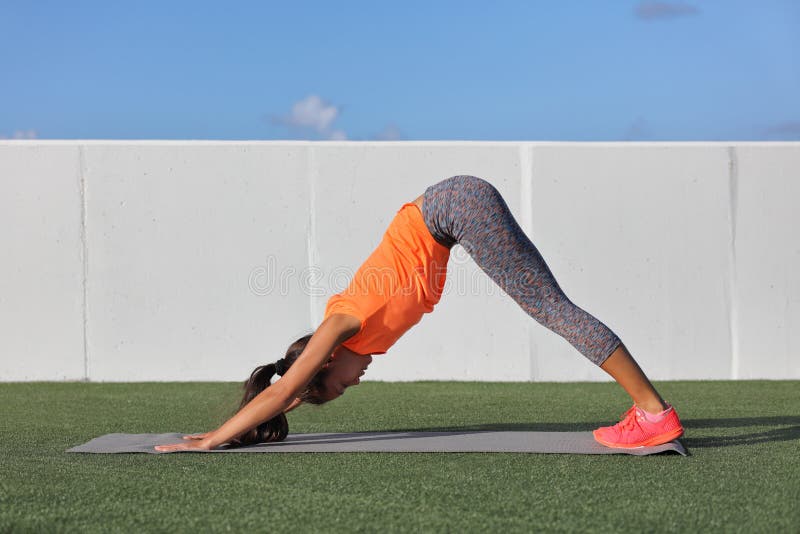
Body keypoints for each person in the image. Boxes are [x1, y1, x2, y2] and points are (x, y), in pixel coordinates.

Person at [155, 175, 683, 452]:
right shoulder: (363, 337)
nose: (352, 386)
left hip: (453, 206)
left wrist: (212, 438)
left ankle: (653, 414)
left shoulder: (344, 321)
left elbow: (283, 390)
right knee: (552, 306)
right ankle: (649, 410)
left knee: (551, 309)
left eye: (337, 386)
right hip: (457, 208)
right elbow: (289, 392)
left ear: (328, 357)